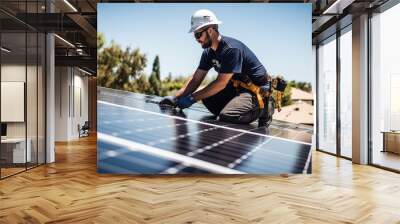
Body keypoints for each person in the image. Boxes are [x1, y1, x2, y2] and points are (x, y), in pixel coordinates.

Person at [160, 9, 274, 127]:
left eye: (198, 34)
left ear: (210, 30)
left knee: (227, 116)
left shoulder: (231, 49)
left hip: (255, 92)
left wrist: (192, 99)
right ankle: (235, 108)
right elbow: (196, 79)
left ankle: (265, 108)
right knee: (207, 98)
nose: (197, 39)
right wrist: (176, 97)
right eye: (195, 35)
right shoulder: (208, 53)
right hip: (236, 88)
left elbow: (220, 83)